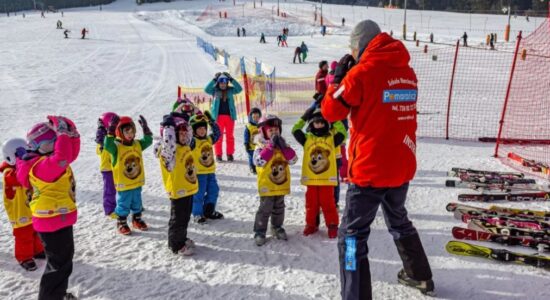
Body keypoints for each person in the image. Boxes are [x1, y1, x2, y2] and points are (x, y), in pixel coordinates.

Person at [321, 19, 434, 298]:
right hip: (401, 164)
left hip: (370, 170)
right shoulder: (407, 72)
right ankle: (419, 275)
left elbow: (331, 112)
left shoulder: (362, 74)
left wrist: (338, 79)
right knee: (398, 220)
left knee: (351, 237)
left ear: (360, 45)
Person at [16, 116, 80, 299]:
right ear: (35, 146)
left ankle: (57, 294)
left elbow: (70, 154)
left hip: (58, 218)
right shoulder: (39, 166)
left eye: (54, 142)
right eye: (47, 144)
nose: (53, 147)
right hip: (51, 221)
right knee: (58, 266)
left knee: (62, 263)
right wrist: (61, 135)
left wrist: (70, 131)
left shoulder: (48, 161)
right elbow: (62, 158)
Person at [292, 108, 345, 238]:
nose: (319, 125)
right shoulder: (306, 139)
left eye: (322, 122)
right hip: (311, 180)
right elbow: (295, 130)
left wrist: (332, 116)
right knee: (311, 204)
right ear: (311, 124)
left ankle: (332, 225)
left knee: (329, 204)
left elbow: (343, 132)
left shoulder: (332, 139)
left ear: (327, 124)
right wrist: (305, 115)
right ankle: (311, 225)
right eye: (316, 122)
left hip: (327, 180)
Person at [252, 115, 297, 246]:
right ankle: (259, 231)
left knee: (279, 208)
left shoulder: (284, 145)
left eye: (276, 130)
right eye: (270, 130)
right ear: (263, 132)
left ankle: (276, 227)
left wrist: (285, 148)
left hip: (281, 184)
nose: (274, 133)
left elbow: (293, 160)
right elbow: (258, 161)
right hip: (267, 185)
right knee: (265, 209)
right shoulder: (260, 146)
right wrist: (270, 147)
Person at [104, 115, 153, 235]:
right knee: (123, 203)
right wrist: (110, 131)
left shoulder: (137, 144)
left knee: (137, 202)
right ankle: (121, 222)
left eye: (132, 131)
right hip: (124, 184)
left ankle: (137, 219)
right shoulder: (116, 147)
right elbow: (107, 145)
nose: (130, 134)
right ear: (120, 132)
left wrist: (146, 130)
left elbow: (148, 141)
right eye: (126, 131)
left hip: (136, 182)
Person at [156, 115, 198, 255]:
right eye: (180, 133)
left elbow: (190, 135)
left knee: (185, 217)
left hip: (188, 188)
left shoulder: (185, 146)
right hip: (178, 190)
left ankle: (182, 238)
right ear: (172, 135)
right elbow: (168, 143)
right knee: (178, 219)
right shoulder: (168, 153)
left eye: (186, 133)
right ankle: (175, 245)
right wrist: (168, 127)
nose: (185, 136)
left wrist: (185, 120)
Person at [1, 138, 45, 271]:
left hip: (31, 208)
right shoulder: (8, 173)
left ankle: (37, 251)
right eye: (20, 154)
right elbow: (17, 178)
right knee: (23, 236)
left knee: (36, 231)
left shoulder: (26, 167)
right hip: (19, 213)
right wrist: (23, 161)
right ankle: (24, 257)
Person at [189, 112, 222, 224]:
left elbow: (218, 133)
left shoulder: (208, 139)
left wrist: (212, 122)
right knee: (198, 194)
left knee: (214, 190)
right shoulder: (192, 142)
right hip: (199, 173)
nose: (202, 131)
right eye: (199, 129)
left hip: (210, 172)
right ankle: (197, 214)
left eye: (204, 128)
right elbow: (187, 136)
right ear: (193, 131)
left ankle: (209, 210)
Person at [204, 72, 243, 162]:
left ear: (227, 83)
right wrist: (214, 79)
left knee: (230, 136)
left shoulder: (230, 90)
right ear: (218, 83)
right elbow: (206, 89)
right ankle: (218, 155)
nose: (223, 85)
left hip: (230, 117)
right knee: (219, 137)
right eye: (221, 83)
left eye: (225, 83)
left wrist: (231, 78)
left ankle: (230, 154)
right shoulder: (214, 90)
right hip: (218, 117)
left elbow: (239, 89)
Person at [95, 112, 119, 217]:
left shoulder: (117, 135)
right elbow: (100, 151)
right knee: (110, 190)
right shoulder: (102, 140)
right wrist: (101, 142)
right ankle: (110, 210)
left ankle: (130, 205)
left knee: (125, 187)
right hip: (107, 169)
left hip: (118, 166)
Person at [244, 108, 262, 174]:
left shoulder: (261, 125)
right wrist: (246, 144)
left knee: (259, 156)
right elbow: (246, 136)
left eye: (257, 117)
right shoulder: (249, 126)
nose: (256, 119)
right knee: (251, 157)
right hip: (251, 146)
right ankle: (252, 167)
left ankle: (259, 166)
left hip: (260, 146)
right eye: (254, 117)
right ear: (250, 117)